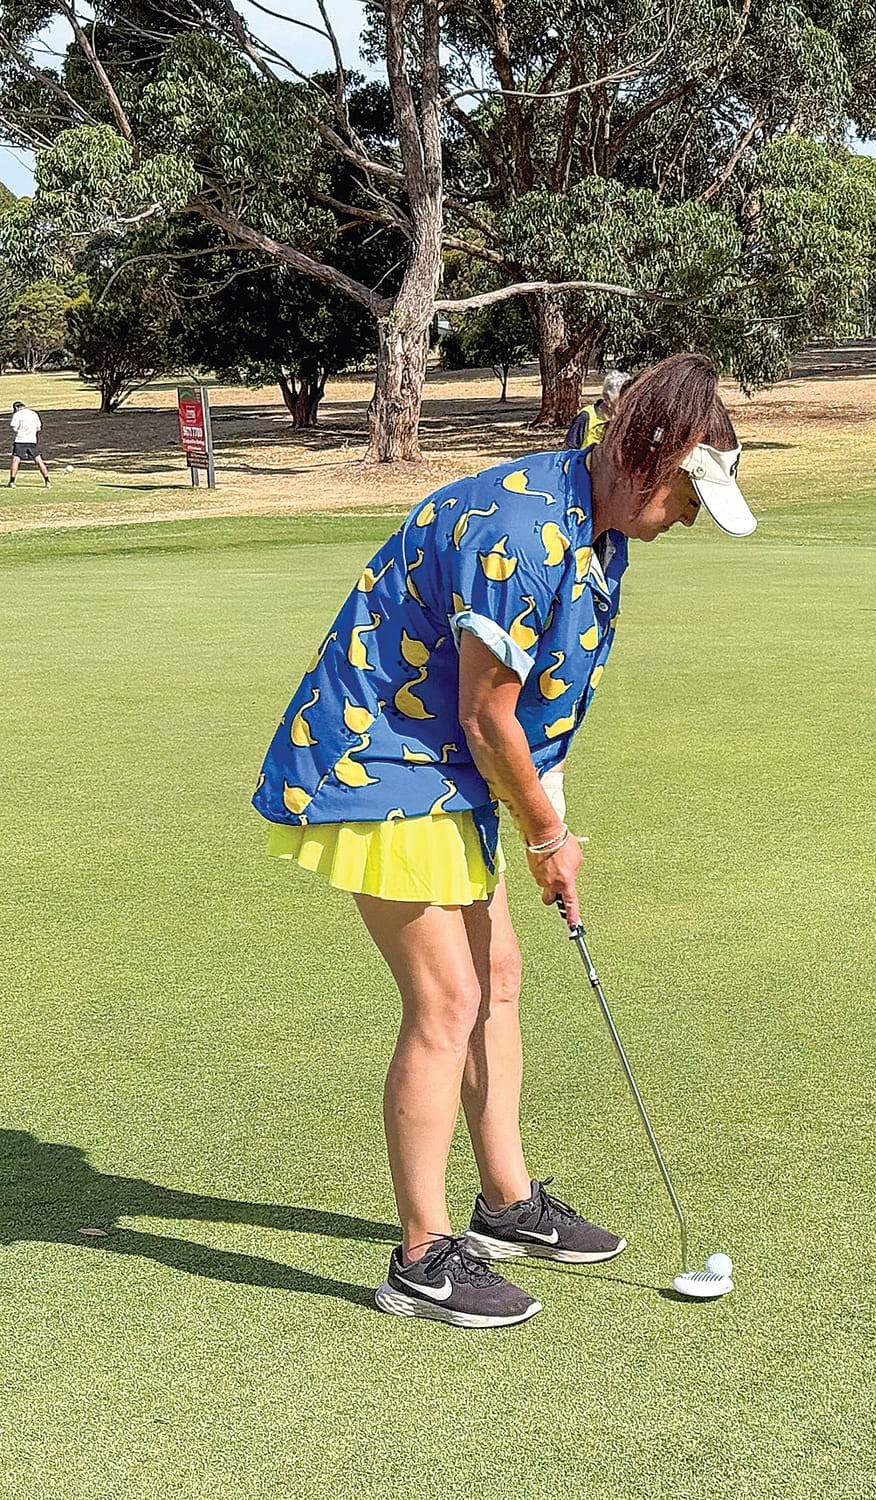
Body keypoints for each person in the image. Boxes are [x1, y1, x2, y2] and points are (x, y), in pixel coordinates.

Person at [253, 355, 755, 1329]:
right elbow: (487, 716)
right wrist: (546, 833)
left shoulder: (598, 538)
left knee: (500, 975)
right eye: (688, 496)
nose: (691, 518)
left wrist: (544, 827)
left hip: (443, 761)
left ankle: (505, 1203)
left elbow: (536, 709)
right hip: (381, 754)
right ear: (640, 458)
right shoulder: (523, 536)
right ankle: (421, 1261)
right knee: (446, 1001)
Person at [563, 370, 628, 451]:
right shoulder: (585, 417)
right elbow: (566, 453)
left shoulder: (625, 420)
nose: (625, 406)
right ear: (606, 397)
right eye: (620, 401)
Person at [9, 400, 50, 487]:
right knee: (39, 461)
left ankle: (12, 481)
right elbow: (38, 428)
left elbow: (15, 428)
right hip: (32, 441)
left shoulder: (17, 415)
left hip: (20, 441)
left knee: (16, 460)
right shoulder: (34, 414)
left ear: (16, 408)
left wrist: (21, 430)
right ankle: (47, 480)